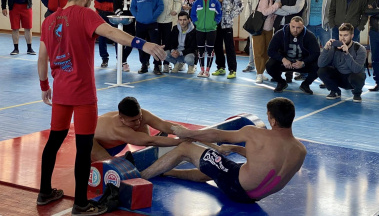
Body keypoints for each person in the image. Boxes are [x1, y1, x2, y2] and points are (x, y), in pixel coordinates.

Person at [36, 0, 165, 215]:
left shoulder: (49, 20)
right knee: (84, 148)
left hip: (61, 92)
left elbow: (42, 57)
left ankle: (44, 192)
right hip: (83, 95)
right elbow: (113, 33)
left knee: (54, 141)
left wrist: (45, 85)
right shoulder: (86, 15)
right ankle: (81, 204)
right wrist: (142, 44)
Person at [140, 97, 307, 204]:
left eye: (268, 116)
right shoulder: (300, 151)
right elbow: (267, 162)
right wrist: (235, 149)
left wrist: (187, 133)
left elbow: (217, 135)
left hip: (236, 185)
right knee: (215, 168)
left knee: (186, 148)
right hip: (253, 198)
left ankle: (141, 178)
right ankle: (169, 173)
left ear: (272, 120)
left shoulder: (255, 133)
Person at [92, 97, 184, 161]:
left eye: (139, 118)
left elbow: (163, 125)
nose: (137, 122)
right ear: (121, 119)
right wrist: (181, 142)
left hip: (114, 142)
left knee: (143, 122)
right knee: (112, 167)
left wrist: (189, 133)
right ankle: (115, 162)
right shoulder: (118, 129)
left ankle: (149, 146)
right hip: (94, 145)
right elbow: (151, 141)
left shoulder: (141, 114)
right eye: (132, 120)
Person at [266, 16, 320, 94]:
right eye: (293, 27)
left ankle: (306, 84)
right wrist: (283, 59)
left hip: (301, 64)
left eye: (298, 27)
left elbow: (316, 53)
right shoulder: (280, 34)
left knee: (319, 66)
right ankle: (281, 82)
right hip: (285, 63)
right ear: (289, 25)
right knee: (269, 65)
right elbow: (270, 51)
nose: (295, 30)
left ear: (303, 27)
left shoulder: (309, 36)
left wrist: (303, 62)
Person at [318, 23, 367, 102]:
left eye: (345, 35)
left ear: (352, 36)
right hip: (339, 78)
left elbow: (356, 69)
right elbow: (320, 64)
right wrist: (326, 49)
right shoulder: (335, 47)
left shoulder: (360, 49)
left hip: (352, 79)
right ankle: (335, 91)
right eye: (340, 35)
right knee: (321, 71)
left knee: (359, 76)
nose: (342, 38)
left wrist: (347, 53)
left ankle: (357, 93)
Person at [300, 0, 334, 85]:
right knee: (308, 50)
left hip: (324, 26)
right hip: (309, 25)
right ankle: (305, 73)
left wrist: (331, 22)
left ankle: (327, 77)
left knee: (327, 51)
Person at [273, 0, 306, 83]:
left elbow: (297, 9)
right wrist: (288, 10)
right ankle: (276, 74)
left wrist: (282, 7)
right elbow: (275, 9)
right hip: (279, 26)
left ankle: (289, 75)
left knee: (290, 51)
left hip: (292, 27)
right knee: (278, 50)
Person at [211, 0, 244, 79]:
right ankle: (220, 67)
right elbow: (208, 4)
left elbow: (240, 5)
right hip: (215, 23)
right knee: (217, 46)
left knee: (229, 46)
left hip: (227, 24)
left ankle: (232, 70)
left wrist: (230, 16)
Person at [130, 0, 164, 75]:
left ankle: (157, 66)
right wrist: (138, 16)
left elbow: (160, 6)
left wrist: (153, 16)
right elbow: (132, 7)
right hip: (140, 23)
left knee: (155, 44)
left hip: (152, 23)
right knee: (140, 45)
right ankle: (144, 64)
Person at [242, 0, 273, 73]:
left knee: (267, 45)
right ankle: (251, 64)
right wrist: (248, 19)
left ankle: (267, 66)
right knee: (253, 44)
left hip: (269, 20)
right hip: (256, 19)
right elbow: (249, 4)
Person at [191, 0, 222, 78]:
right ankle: (202, 70)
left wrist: (214, 23)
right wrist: (196, 23)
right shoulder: (197, 2)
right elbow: (193, 15)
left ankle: (207, 71)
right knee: (200, 50)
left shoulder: (215, 2)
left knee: (210, 50)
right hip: (199, 30)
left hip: (211, 30)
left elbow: (219, 15)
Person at [253, 0, 281, 83]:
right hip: (259, 29)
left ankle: (262, 71)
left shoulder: (276, 1)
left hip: (269, 30)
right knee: (259, 51)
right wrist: (276, 6)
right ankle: (258, 74)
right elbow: (265, 12)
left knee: (266, 52)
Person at [92, 0, 119, 68]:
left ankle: (120, 58)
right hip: (101, 13)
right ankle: (104, 59)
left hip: (113, 13)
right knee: (102, 37)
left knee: (116, 36)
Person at [157, 0, 182, 73]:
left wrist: (176, 10)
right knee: (157, 43)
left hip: (168, 20)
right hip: (157, 20)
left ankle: (166, 64)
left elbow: (178, 1)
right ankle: (158, 64)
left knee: (167, 43)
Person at [113, 0, 135, 72]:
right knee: (119, 41)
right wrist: (122, 17)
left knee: (132, 42)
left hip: (131, 22)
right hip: (121, 22)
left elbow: (136, 7)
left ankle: (122, 59)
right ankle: (123, 62)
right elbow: (116, 8)